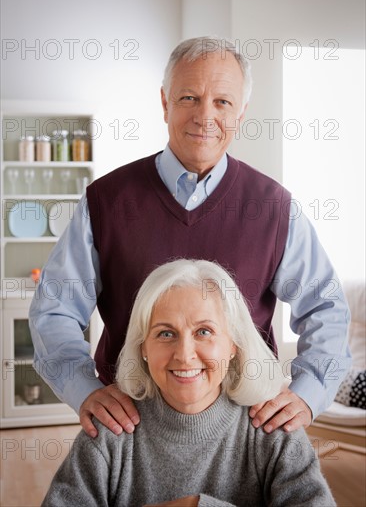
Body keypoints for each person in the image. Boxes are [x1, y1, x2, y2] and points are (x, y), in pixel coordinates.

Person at [29, 36, 350, 439]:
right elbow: (53, 311)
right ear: (165, 103)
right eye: (188, 98)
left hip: (245, 435)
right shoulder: (106, 202)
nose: (205, 115)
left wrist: (308, 393)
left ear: (242, 113)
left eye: (222, 102)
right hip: (129, 431)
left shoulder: (275, 207)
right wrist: (84, 390)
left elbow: (326, 308)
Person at [41, 259, 336, 507]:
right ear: (143, 347)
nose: (184, 355)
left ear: (233, 344)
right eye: (165, 334)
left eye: (204, 332)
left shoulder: (274, 432)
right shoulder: (108, 432)